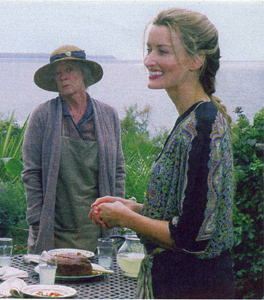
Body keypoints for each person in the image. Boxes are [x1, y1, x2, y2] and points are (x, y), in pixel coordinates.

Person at [89, 8, 235, 299]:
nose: (149, 60)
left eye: (162, 51)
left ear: (196, 60)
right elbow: (187, 215)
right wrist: (133, 208)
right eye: (149, 49)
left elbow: (192, 237)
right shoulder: (192, 120)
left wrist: (126, 219)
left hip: (195, 289)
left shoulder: (203, 126)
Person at [21, 45, 126, 254]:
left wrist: (117, 213)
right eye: (58, 73)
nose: (63, 77)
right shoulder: (43, 115)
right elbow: (31, 173)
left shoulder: (108, 115)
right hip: (53, 229)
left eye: (70, 70)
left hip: (97, 229)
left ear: (84, 74)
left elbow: (118, 171)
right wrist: (36, 221)